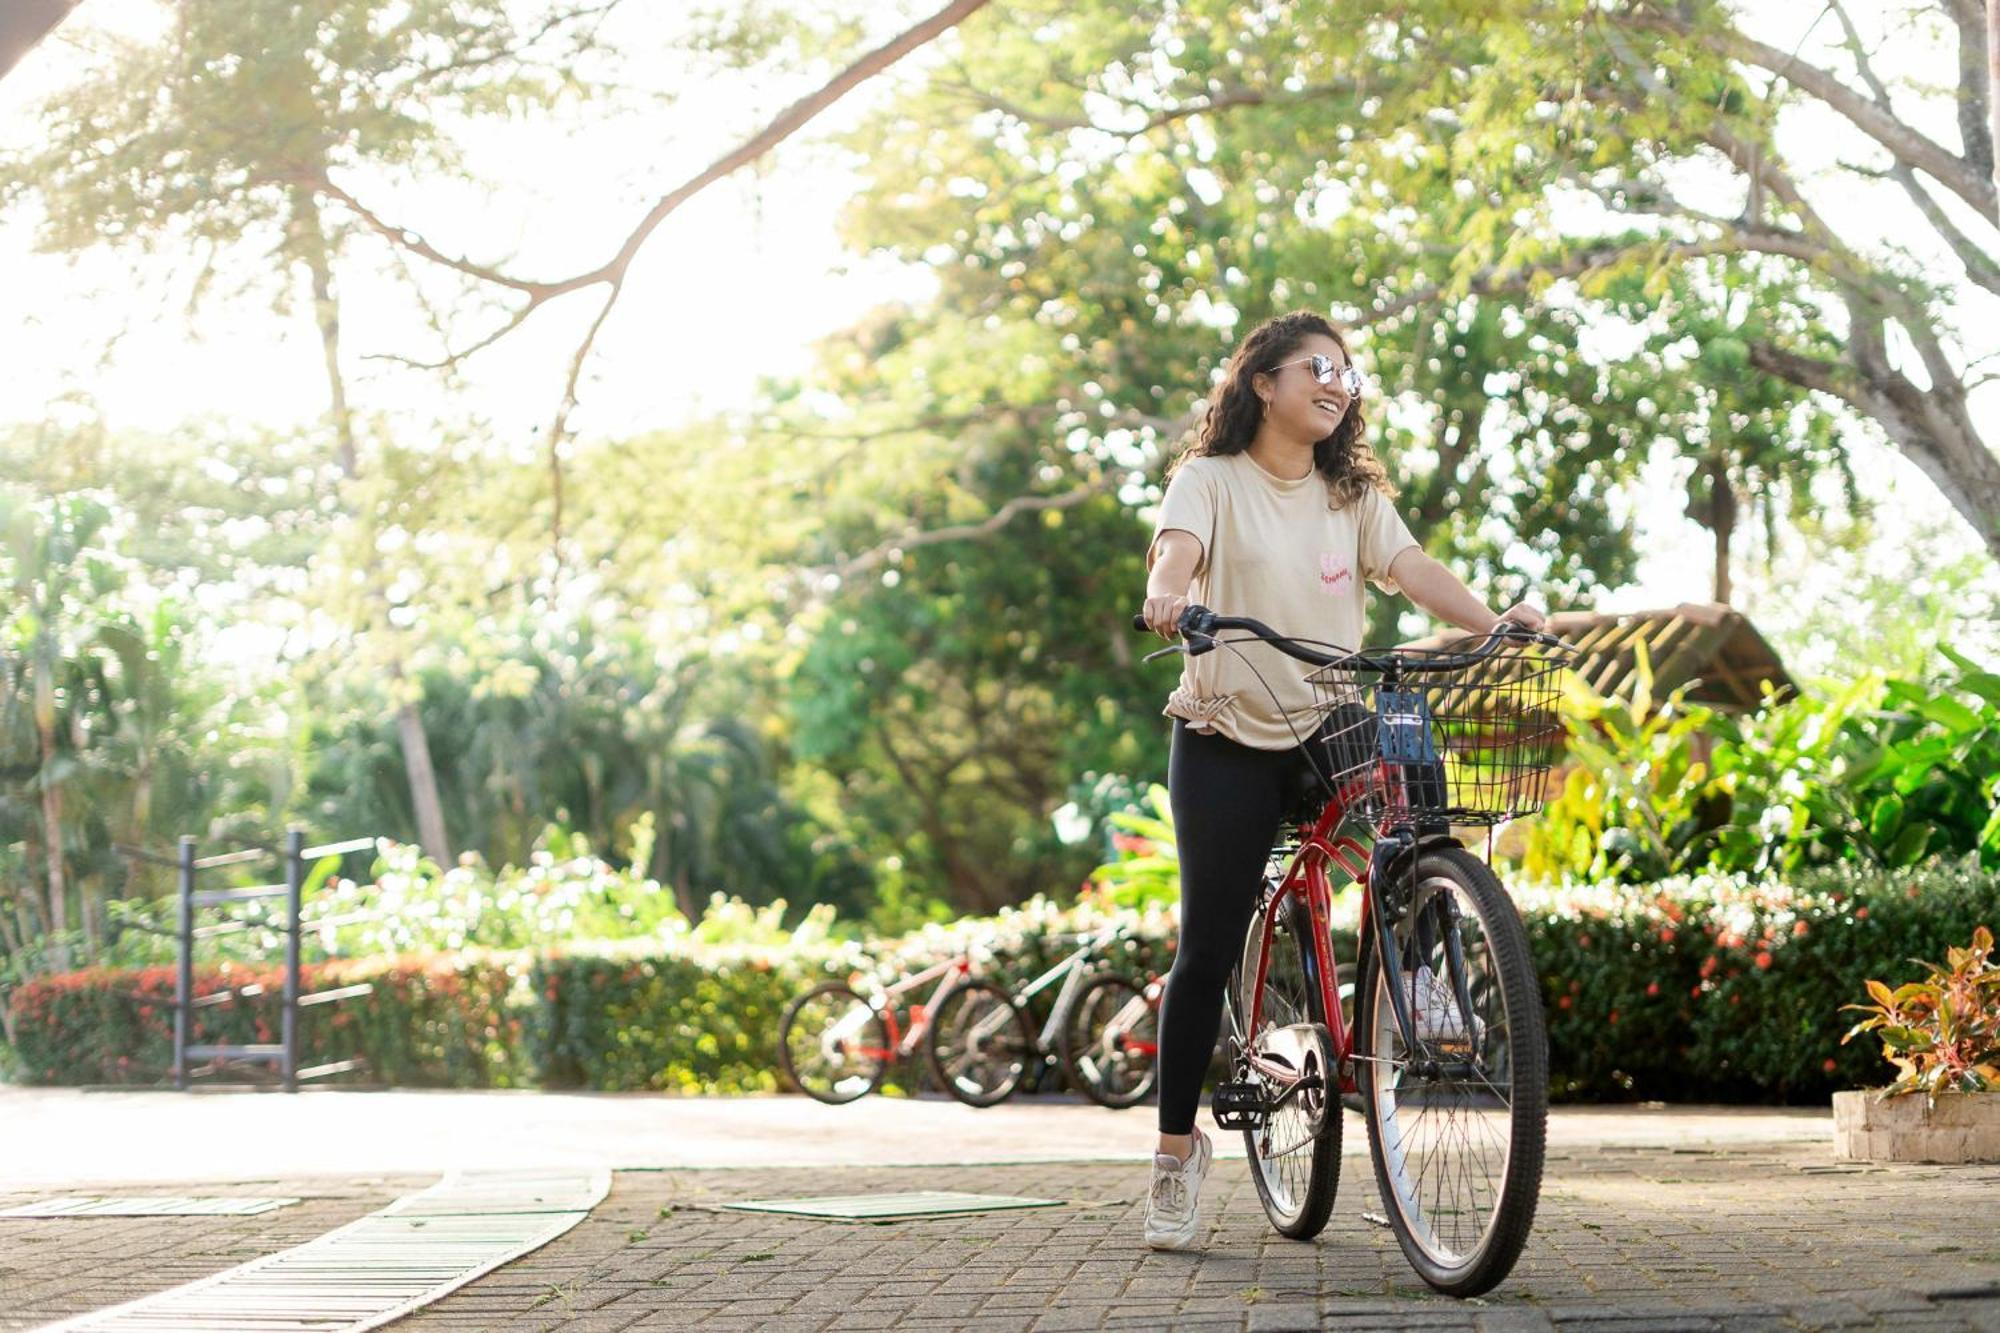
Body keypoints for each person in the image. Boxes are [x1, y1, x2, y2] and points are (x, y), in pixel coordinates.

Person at [1136, 310, 1547, 1251]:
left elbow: (1409, 568)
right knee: (1206, 943)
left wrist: (1492, 624)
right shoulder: (1211, 480)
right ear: (1263, 383)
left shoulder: (1350, 494)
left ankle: (1430, 963)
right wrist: (1172, 596)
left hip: (1326, 717)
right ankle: (1173, 1157)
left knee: (1415, 756)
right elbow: (1178, 550)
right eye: (1316, 366)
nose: (1336, 382)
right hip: (1226, 732)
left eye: (1348, 373)